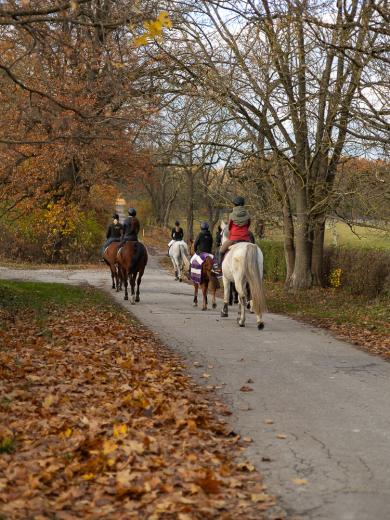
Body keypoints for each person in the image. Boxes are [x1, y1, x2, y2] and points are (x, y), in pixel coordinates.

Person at [215, 196, 251, 271]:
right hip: (245, 238)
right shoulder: (247, 214)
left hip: (234, 239)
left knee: (221, 251)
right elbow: (248, 225)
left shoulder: (232, 215)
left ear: (235, 204)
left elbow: (229, 227)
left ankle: (219, 267)